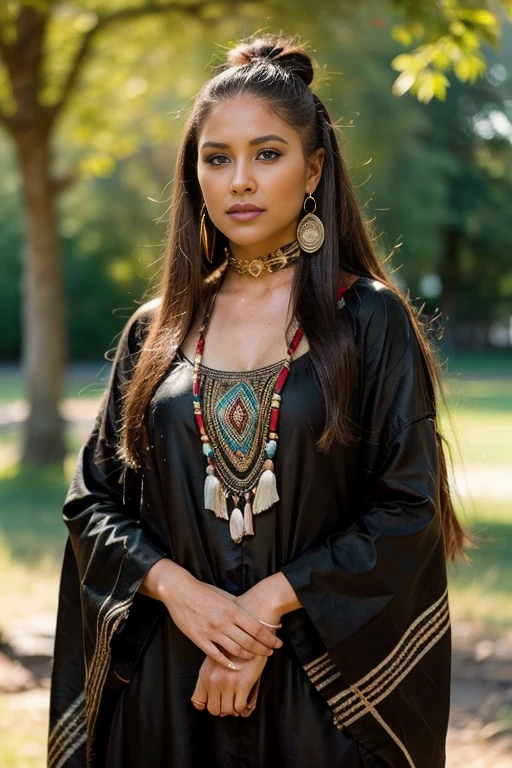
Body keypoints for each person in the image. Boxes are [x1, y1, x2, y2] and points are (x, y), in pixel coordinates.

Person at [48, 35, 466, 768]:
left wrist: (261, 612)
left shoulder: (367, 321)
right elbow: (93, 504)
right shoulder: (159, 329)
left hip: (320, 690)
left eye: (267, 154)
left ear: (313, 172)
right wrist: (185, 597)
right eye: (218, 158)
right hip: (166, 688)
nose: (240, 180)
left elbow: (408, 510)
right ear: (195, 177)